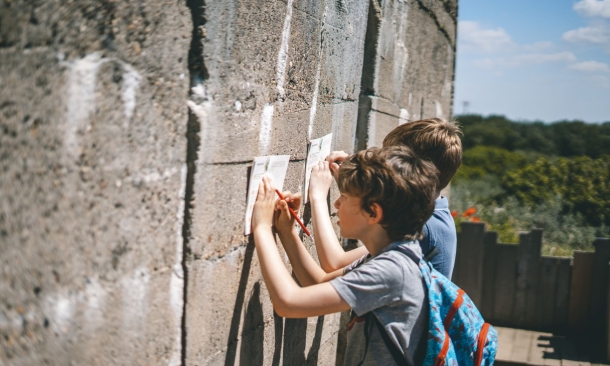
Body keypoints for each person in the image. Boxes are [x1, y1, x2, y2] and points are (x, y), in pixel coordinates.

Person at [251, 146, 439, 365]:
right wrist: (286, 231)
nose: (337, 204)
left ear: (373, 212)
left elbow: (288, 303)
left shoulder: (391, 271)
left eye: (345, 197)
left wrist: (262, 227)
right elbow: (316, 282)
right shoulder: (394, 254)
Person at [311, 118, 462, 279]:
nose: (380, 167)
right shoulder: (433, 211)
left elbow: (335, 264)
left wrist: (318, 197)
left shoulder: (421, 228)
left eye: (386, 162)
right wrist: (355, 179)